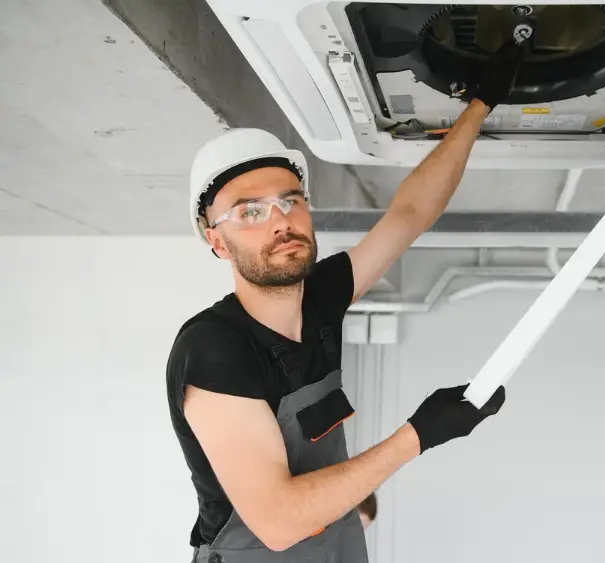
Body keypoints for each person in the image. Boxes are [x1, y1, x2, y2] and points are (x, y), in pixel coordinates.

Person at [166, 39, 527, 563]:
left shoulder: (318, 300)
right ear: (217, 242)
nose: (280, 220)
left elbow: (409, 214)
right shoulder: (215, 349)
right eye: (250, 212)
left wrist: (481, 105)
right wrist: (419, 435)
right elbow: (278, 520)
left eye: (290, 201)